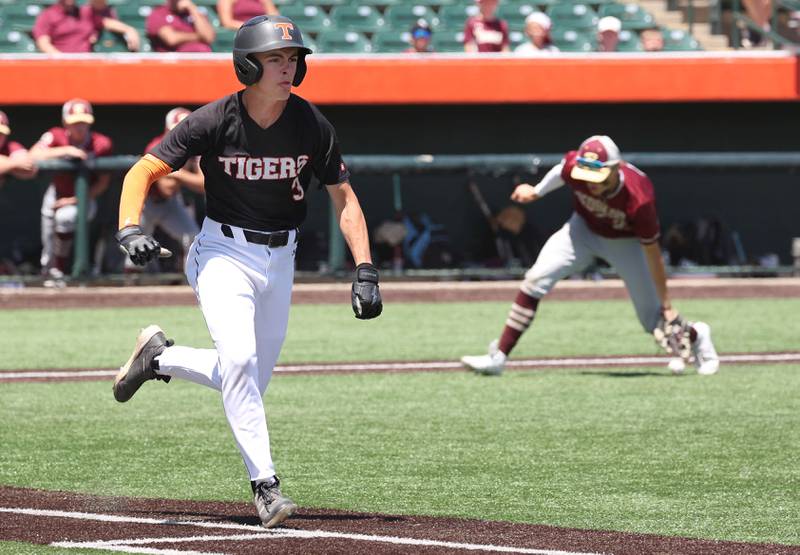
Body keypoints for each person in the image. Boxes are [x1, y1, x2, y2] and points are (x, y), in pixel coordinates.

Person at [112, 15, 382, 529]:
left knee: (248, 380)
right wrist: (129, 227)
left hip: (281, 259)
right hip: (221, 254)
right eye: (275, 58)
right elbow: (143, 168)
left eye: (293, 58)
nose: (289, 66)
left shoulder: (311, 124)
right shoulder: (214, 120)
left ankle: (161, 358)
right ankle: (266, 487)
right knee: (238, 362)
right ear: (246, 64)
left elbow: (344, 198)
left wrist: (365, 268)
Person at [460, 135, 720, 377]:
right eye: (587, 175)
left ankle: (699, 335)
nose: (592, 184)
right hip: (582, 230)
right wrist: (538, 191)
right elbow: (562, 169)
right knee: (535, 279)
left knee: (653, 320)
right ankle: (499, 356)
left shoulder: (639, 197)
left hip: (624, 243)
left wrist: (667, 304)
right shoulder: (577, 167)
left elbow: (654, 254)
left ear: (617, 168)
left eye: (600, 176)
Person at [30, 99, 112, 281]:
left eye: (83, 122)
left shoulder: (101, 143)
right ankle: (48, 272)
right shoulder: (55, 136)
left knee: (64, 218)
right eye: (75, 122)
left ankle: (59, 270)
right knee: (48, 237)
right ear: (66, 122)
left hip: (85, 197)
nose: (80, 127)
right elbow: (33, 155)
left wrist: (73, 200)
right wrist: (65, 150)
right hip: (56, 192)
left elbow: (103, 183)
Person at [133, 107, 203, 272]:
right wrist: (185, 173)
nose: (181, 135)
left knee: (193, 238)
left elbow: (203, 185)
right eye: (176, 130)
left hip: (170, 204)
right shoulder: (157, 146)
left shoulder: (198, 146)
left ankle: (192, 280)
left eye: (186, 131)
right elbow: (166, 187)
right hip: (145, 202)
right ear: (167, 130)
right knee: (136, 249)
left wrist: (176, 173)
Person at [146, 0, 216, 53]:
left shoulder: (194, 13)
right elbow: (171, 38)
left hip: (203, 60)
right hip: (175, 62)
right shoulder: (158, 13)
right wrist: (200, 36)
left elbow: (209, 37)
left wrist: (192, 9)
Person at [32, 0, 97, 53]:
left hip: (86, 62)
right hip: (60, 63)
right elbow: (43, 42)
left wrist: (95, 33)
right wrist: (61, 58)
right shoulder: (48, 14)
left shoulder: (86, 12)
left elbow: (103, 20)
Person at [0, 111, 37, 187]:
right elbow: (20, 163)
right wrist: (14, 164)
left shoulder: (10, 147)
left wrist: (5, 165)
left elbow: (30, 167)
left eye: (1, 133)